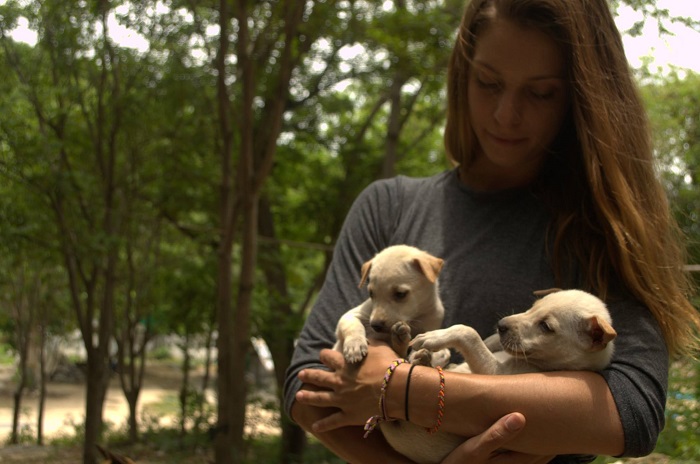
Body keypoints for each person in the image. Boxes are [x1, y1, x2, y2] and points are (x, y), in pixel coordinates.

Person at [283, 0, 700, 462]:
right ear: (463, 74)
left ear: (579, 97)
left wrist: (404, 390)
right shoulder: (389, 207)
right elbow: (305, 384)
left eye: (540, 93)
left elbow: (633, 410)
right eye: (489, 83)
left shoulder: (604, 228)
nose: (505, 114)